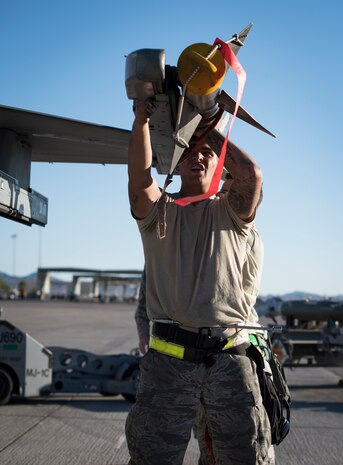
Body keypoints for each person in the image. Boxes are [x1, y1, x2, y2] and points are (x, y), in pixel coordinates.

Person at [125, 99, 271, 465]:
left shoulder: (233, 213)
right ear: (176, 161)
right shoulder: (159, 212)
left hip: (229, 361)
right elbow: (140, 181)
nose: (199, 156)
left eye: (207, 151)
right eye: (190, 150)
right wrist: (142, 120)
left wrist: (208, 122)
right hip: (169, 365)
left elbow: (251, 174)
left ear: (222, 166)